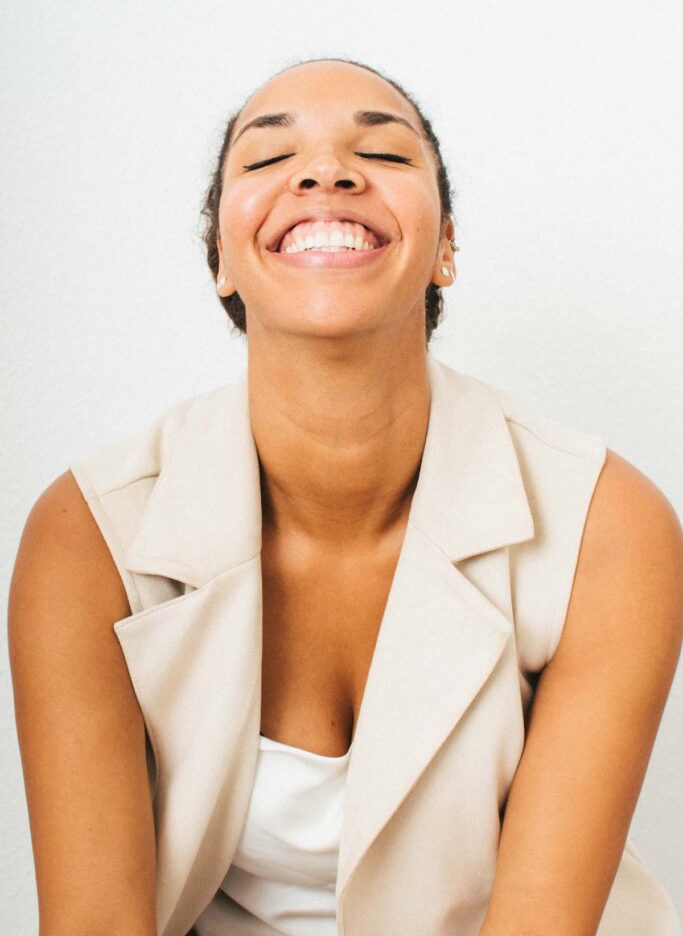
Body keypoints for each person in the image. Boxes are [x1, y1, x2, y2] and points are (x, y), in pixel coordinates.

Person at [8, 57, 682, 936]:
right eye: (266, 158)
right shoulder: (88, 532)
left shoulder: (608, 525)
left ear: (444, 248)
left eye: (384, 153)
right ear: (222, 258)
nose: (325, 172)